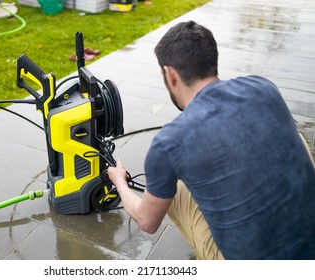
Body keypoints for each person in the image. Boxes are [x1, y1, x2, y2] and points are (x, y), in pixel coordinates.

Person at [107, 21, 315, 260]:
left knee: (170, 189)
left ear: (170, 74)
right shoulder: (264, 87)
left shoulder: (169, 142)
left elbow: (147, 222)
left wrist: (119, 181)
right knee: (295, 136)